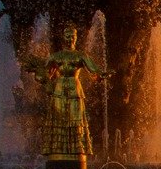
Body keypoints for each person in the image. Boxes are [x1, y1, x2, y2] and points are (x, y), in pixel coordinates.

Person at [28, 25, 110, 156]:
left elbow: (93, 70)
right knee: (59, 119)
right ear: (63, 38)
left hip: (74, 89)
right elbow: (43, 72)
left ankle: (77, 149)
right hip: (59, 90)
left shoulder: (81, 56)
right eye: (67, 36)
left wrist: (101, 75)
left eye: (73, 36)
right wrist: (45, 81)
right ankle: (57, 149)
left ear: (76, 38)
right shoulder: (56, 56)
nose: (70, 39)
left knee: (75, 118)